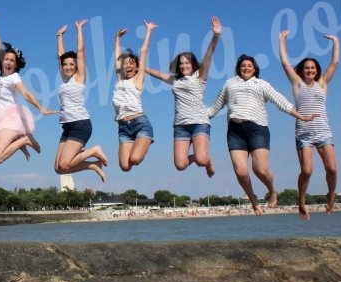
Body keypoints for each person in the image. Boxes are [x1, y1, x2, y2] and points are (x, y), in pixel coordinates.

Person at [207, 54, 314, 215]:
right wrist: (198, 116)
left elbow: (280, 101)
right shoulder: (229, 83)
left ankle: (272, 190)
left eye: (249, 66)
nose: (246, 68)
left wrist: (300, 116)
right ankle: (253, 201)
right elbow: (215, 106)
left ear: (255, 68)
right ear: (239, 68)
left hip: (257, 129)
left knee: (260, 170)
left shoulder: (261, 84)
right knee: (241, 172)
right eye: (243, 65)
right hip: (235, 132)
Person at [0, 12, 57, 164]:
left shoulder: (14, 77)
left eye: (12, 60)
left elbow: (26, 93)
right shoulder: (1, 75)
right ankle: (21, 141)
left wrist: (41, 107)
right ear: (2, 60)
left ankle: (24, 139)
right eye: (6, 59)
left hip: (11, 121)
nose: (9, 62)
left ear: (16, 64)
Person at [146, 16, 222, 177]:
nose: (184, 65)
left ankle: (207, 161)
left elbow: (209, 56)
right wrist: (142, 68)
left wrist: (216, 36)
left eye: (187, 63)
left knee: (202, 160)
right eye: (181, 63)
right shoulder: (175, 80)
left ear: (193, 64)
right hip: (180, 125)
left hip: (199, 123)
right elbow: (158, 75)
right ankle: (199, 159)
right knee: (180, 165)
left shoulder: (200, 77)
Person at [279, 30, 340, 220]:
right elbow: (285, 63)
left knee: (331, 169)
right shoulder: (297, 84)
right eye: (307, 68)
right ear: (302, 70)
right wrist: (281, 41)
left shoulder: (322, 83)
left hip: (323, 132)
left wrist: (335, 41)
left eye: (313, 68)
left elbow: (335, 63)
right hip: (303, 134)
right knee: (307, 171)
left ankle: (331, 196)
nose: (310, 70)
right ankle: (302, 201)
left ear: (317, 70)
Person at [54, 19, 108, 182]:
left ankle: (94, 151)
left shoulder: (80, 78)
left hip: (80, 124)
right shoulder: (64, 80)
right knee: (59, 169)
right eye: (65, 64)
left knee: (65, 163)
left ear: (77, 66)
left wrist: (79, 29)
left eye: (72, 64)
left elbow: (81, 51)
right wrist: (59, 36)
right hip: (67, 126)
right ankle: (92, 165)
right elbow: (60, 56)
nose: (68, 67)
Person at [112, 20, 158, 171]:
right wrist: (117, 38)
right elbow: (117, 58)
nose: (128, 66)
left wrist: (149, 31)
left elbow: (143, 51)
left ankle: (144, 141)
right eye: (126, 63)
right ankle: (138, 144)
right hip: (123, 127)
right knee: (125, 166)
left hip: (140, 124)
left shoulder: (138, 80)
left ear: (137, 67)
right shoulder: (120, 80)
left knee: (135, 159)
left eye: (132, 63)